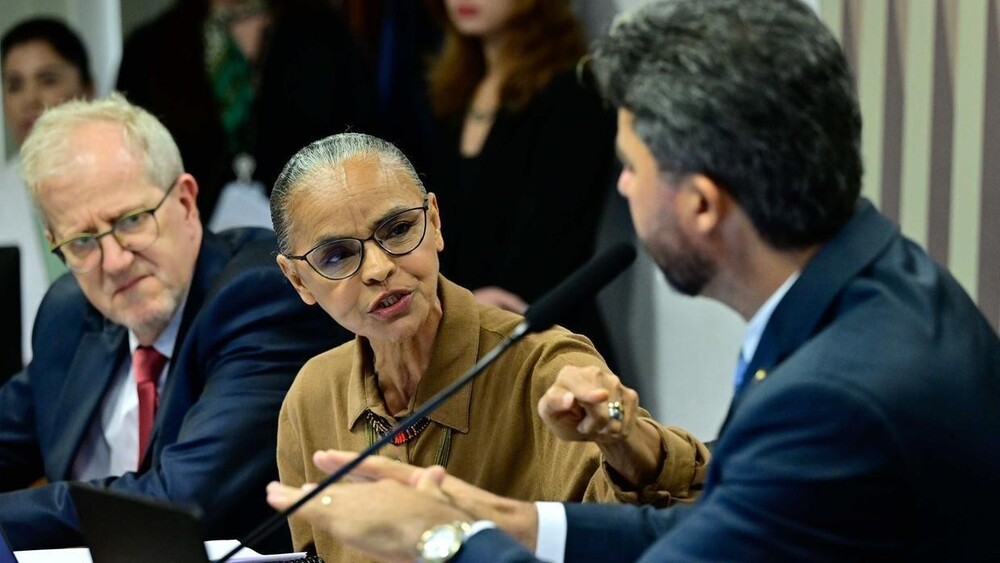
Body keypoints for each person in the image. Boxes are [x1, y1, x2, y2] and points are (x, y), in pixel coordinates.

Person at [265, 0, 1000, 560]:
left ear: (702, 202)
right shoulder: (887, 283)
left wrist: (444, 537)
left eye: (631, 166)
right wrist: (514, 520)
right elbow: (709, 523)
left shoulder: (828, 396)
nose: (619, 189)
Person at [268, 132, 708, 561]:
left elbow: (648, 530)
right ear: (297, 280)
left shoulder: (542, 366)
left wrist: (625, 437)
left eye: (399, 229)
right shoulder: (312, 396)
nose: (379, 269)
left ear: (435, 222)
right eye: (338, 256)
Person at [0, 93, 351, 551]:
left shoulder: (259, 297)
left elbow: (175, 502)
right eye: (82, 241)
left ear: (186, 202)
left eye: (131, 221)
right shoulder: (70, 312)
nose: (114, 260)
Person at [426, 0, 618, 362]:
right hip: (462, 340)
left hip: (547, 348)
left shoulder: (573, 93)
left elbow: (548, 248)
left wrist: (459, 310)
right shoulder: (455, 91)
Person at [116, 0, 374, 224]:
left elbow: (369, 144)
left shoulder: (327, 32)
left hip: (322, 234)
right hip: (193, 247)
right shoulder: (148, 49)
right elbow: (132, 166)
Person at [0, 18, 93, 369]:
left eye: (48, 79)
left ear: (87, 87)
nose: (30, 100)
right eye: (14, 85)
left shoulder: (128, 180)